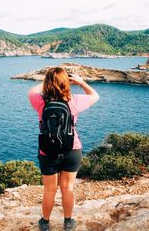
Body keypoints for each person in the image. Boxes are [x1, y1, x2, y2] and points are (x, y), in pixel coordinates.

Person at [28, 67, 99, 231]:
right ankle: (68, 222)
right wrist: (81, 82)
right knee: (67, 187)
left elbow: (31, 91)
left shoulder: (39, 101)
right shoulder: (74, 101)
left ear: (47, 84)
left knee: (49, 189)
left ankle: (45, 223)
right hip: (72, 150)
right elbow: (95, 96)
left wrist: (48, 81)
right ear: (67, 83)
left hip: (47, 151)